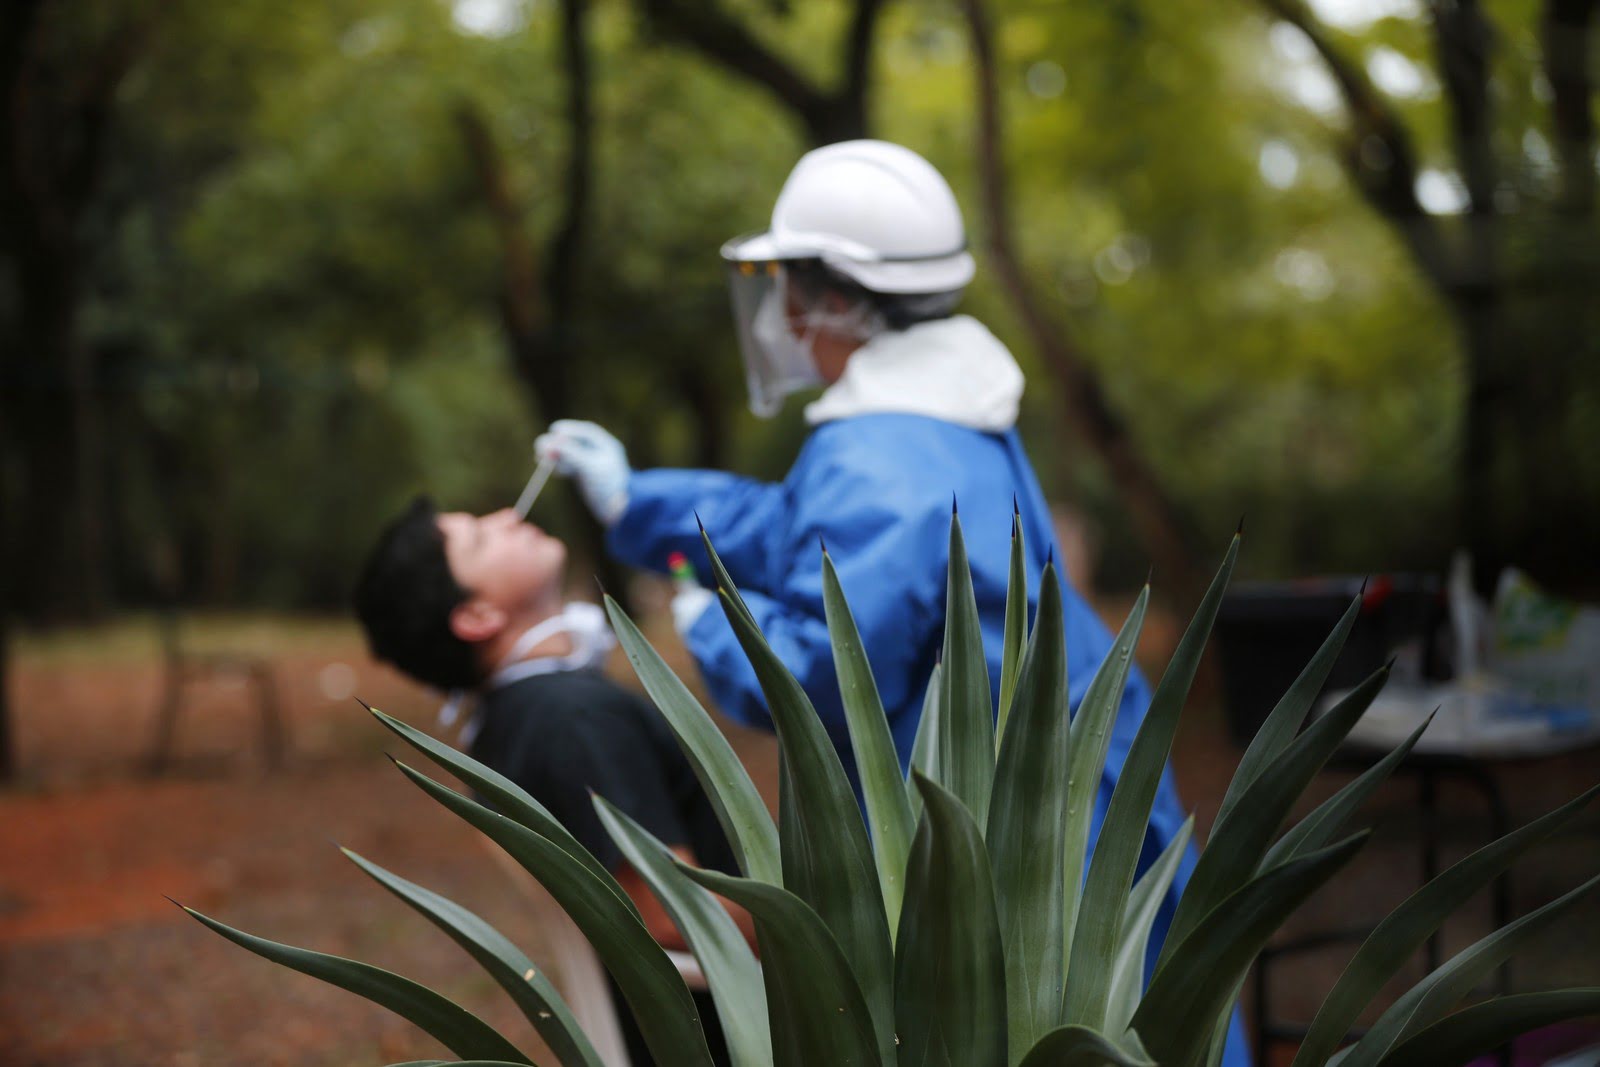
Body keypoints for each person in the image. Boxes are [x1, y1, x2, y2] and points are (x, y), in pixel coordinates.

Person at [537, 139, 1248, 1066]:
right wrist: (641, 504)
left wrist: (709, 623)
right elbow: (796, 528)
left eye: (790, 284)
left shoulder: (880, 451)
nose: (781, 312)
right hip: (1068, 779)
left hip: (1017, 825)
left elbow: (816, 675)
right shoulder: (935, 414)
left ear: (836, 296)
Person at [352, 496, 742, 1066]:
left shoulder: (509, 716)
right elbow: (674, 917)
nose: (506, 515)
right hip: (737, 1036)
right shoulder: (573, 719)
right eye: (479, 539)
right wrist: (833, 935)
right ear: (477, 617)